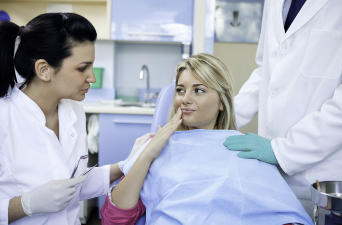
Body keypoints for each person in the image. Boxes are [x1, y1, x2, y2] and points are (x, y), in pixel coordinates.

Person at [100, 53, 313, 225]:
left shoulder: (244, 148)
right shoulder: (155, 146)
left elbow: (284, 216)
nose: (186, 99)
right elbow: (115, 218)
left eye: (199, 90)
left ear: (222, 102)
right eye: (180, 90)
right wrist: (147, 154)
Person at [223, 0, 342, 220]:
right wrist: (224, 115)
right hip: (271, 178)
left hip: (323, 179)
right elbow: (266, 69)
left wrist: (283, 151)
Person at [0, 13, 122, 225]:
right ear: (44, 70)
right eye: (82, 68)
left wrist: (127, 166)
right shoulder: (5, 117)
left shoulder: (73, 111)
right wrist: (25, 204)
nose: (92, 77)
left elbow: (74, 183)